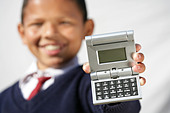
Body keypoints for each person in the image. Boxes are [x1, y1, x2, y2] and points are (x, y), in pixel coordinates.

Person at [0, 0, 146, 113]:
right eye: (37, 24)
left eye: (64, 22)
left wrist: (117, 88)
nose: (49, 33)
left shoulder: (89, 85)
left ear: (87, 28)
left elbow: (118, 110)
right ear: (22, 32)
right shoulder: (3, 98)